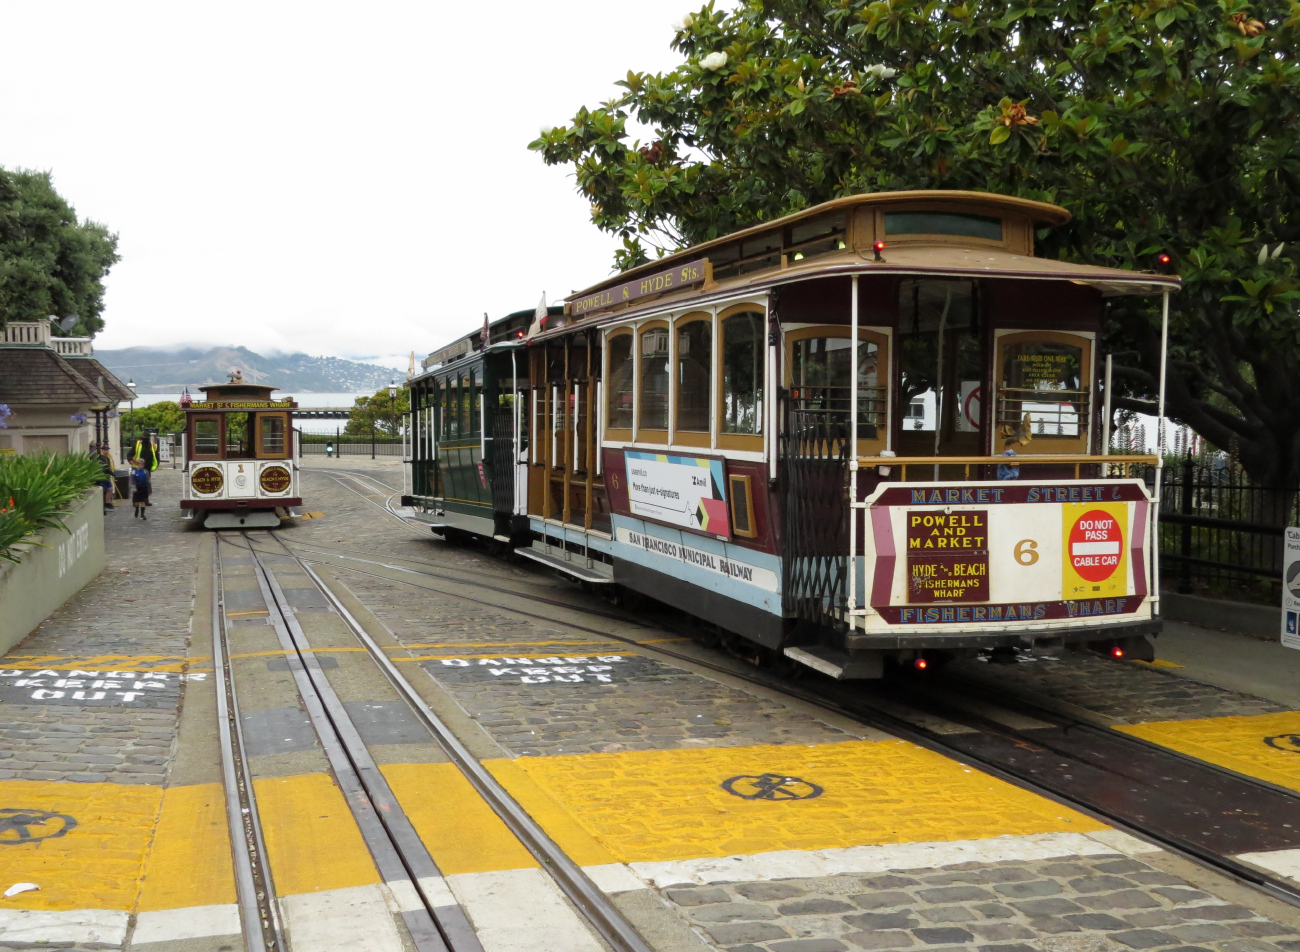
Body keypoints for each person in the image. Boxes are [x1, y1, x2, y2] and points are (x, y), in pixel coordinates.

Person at [133, 434, 160, 505]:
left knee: (146, 485)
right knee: (137, 485)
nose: (147, 438)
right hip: (137, 468)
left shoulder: (153, 446)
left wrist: (156, 466)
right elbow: (131, 453)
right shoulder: (138, 444)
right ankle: (136, 501)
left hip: (147, 468)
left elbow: (156, 456)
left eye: (148, 437)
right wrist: (131, 460)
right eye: (146, 437)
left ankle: (145, 500)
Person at [94, 443, 115, 512]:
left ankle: (107, 503)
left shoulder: (107, 457)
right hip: (102, 477)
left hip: (106, 476)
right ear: (102, 450)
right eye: (106, 450)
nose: (107, 451)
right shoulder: (101, 457)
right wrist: (112, 474)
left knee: (110, 489)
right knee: (104, 491)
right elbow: (105, 467)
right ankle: (104, 505)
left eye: (108, 450)